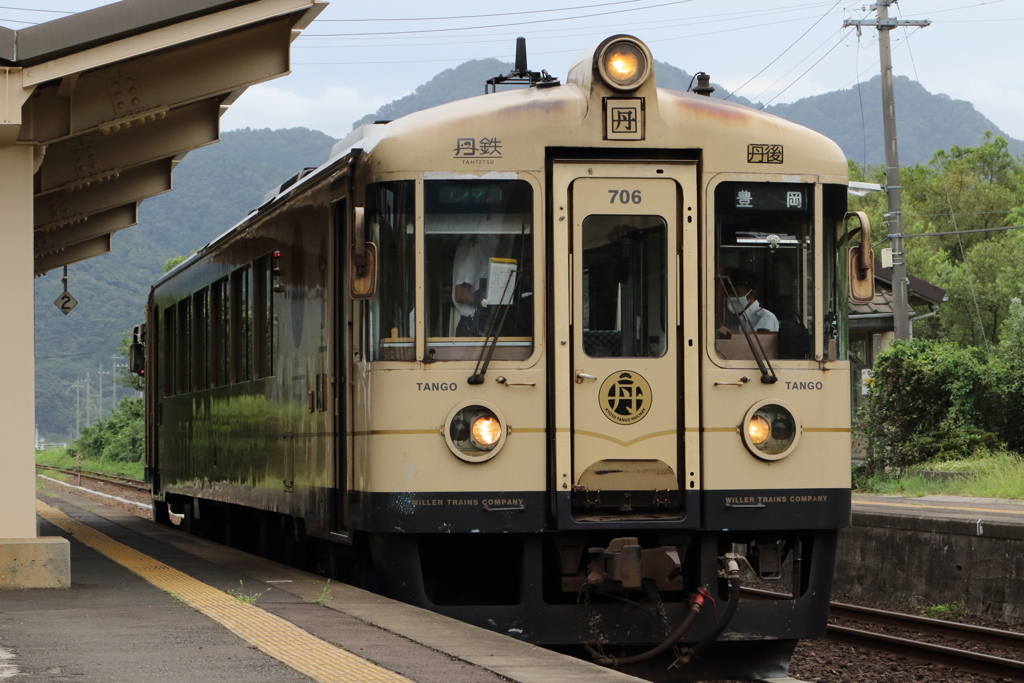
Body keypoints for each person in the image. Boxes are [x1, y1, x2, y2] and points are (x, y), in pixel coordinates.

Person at [452, 233, 499, 336]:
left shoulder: (494, 245)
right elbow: (461, 294)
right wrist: (491, 301)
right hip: (473, 326)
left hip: (489, 325)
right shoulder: (473, 247)